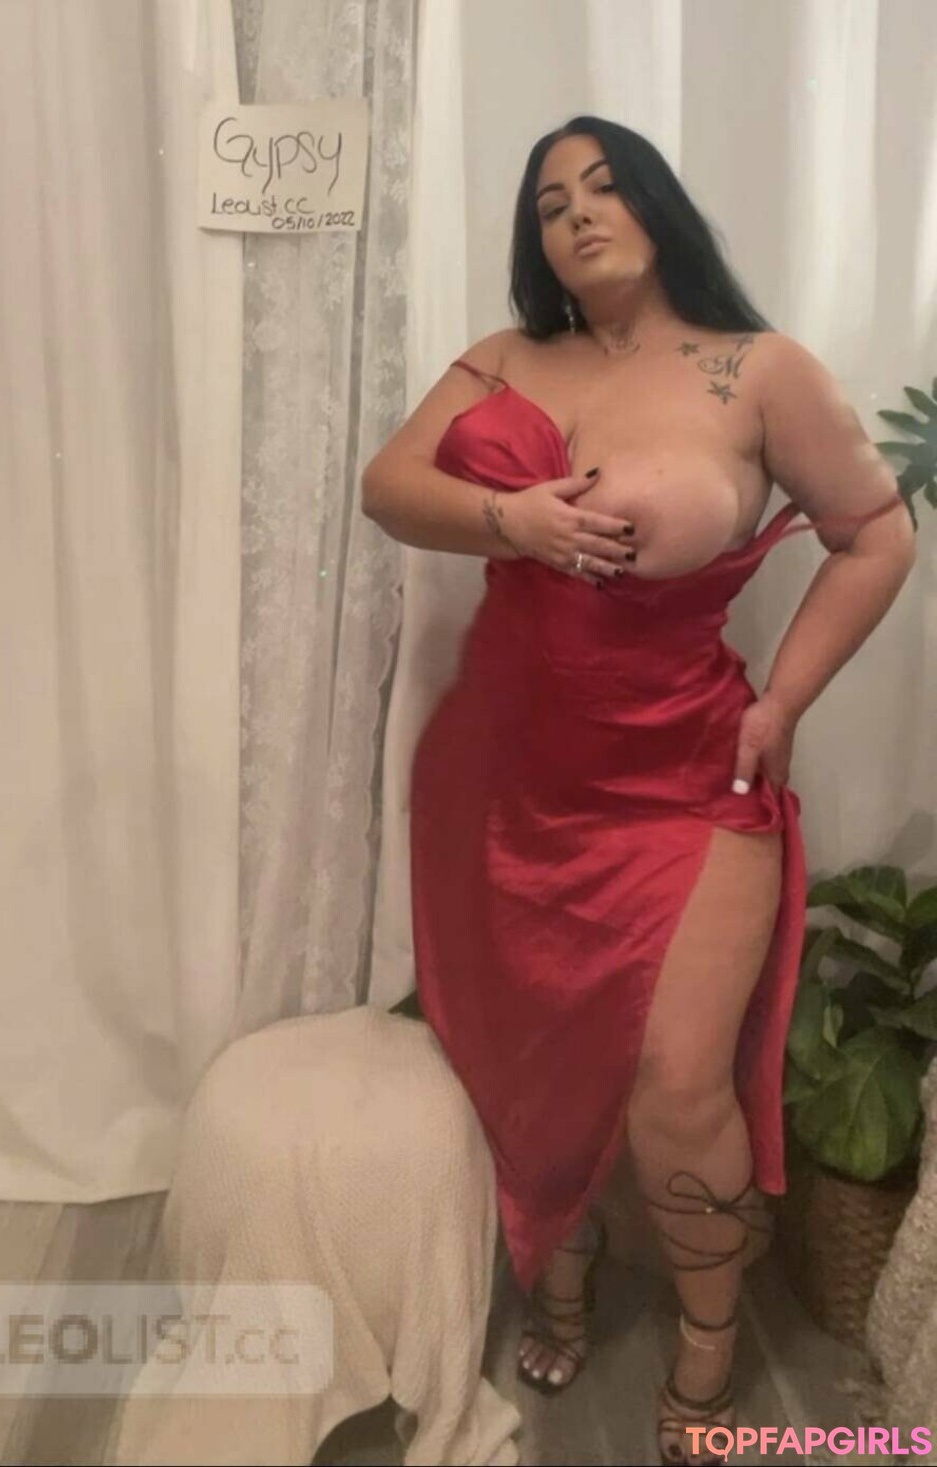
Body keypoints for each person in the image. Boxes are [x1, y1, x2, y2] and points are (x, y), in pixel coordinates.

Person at [361, 115, 915, 1467]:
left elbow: (878, 534)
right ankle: (565, 1262)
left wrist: (783, 701)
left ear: (660, 206)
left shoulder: (758, 370)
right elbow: (389, 487)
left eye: (606, 187)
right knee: (534, 1047)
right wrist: (512, 517)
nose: (579, 213)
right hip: (506, 782)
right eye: (551, 202)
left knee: (675, 1079)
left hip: (685, 778)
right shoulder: (503, 358)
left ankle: (710, 1334)